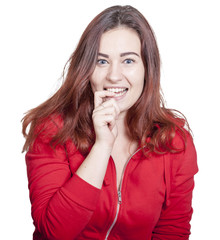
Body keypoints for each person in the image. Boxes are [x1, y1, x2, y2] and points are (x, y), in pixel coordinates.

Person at [22, 5, 198, 240]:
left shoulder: (174, 143)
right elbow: (55, 232)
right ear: (86, 68)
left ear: (147, 68)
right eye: (102, 61)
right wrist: (102, 147)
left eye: (128, 61)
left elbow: (172, 232)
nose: (114, 75)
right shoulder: (53, 129)